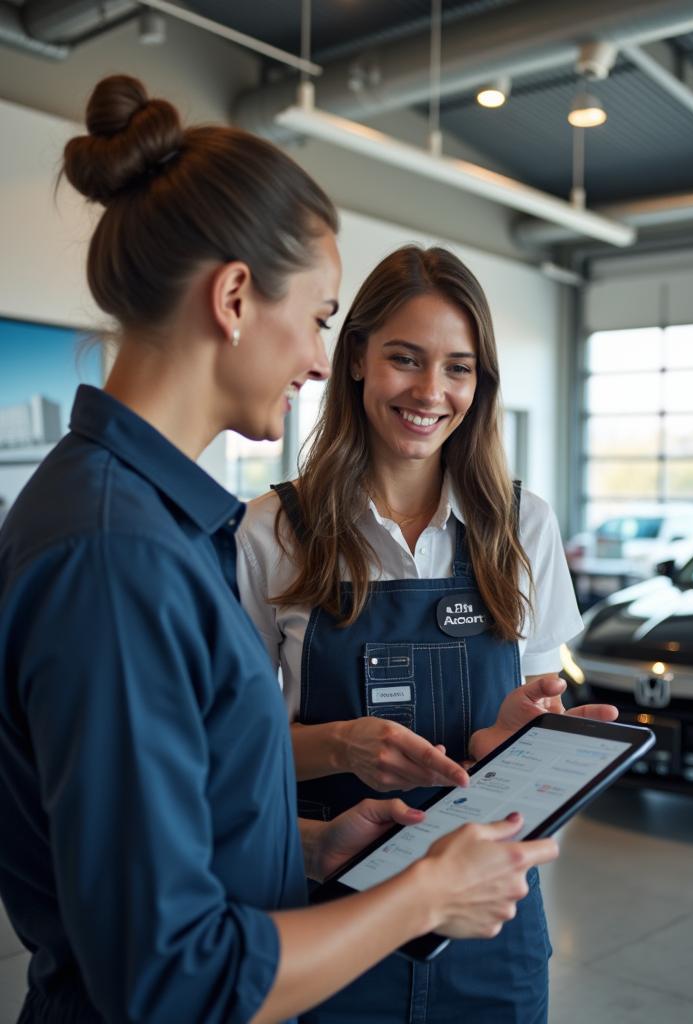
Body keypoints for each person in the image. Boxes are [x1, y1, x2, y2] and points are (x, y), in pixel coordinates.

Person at [0, 76, 560, 1024]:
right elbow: (174, 976)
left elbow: (167, 832)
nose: (312, 357)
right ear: (232, 298)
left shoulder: (163, 525)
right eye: (319, 318)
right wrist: (417, 897)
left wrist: (303, 847)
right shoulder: (116, 556)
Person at [237, 244, 616, 1023]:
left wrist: (519, 734)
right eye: (404, 359)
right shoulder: (273, 530)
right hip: (328, 902)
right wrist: (341, 745)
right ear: (356, 362)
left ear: (481, 384)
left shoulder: (521, 524)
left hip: (490, 911)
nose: (430, 392)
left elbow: (529, 709)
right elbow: (233, 745)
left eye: (458, 368)